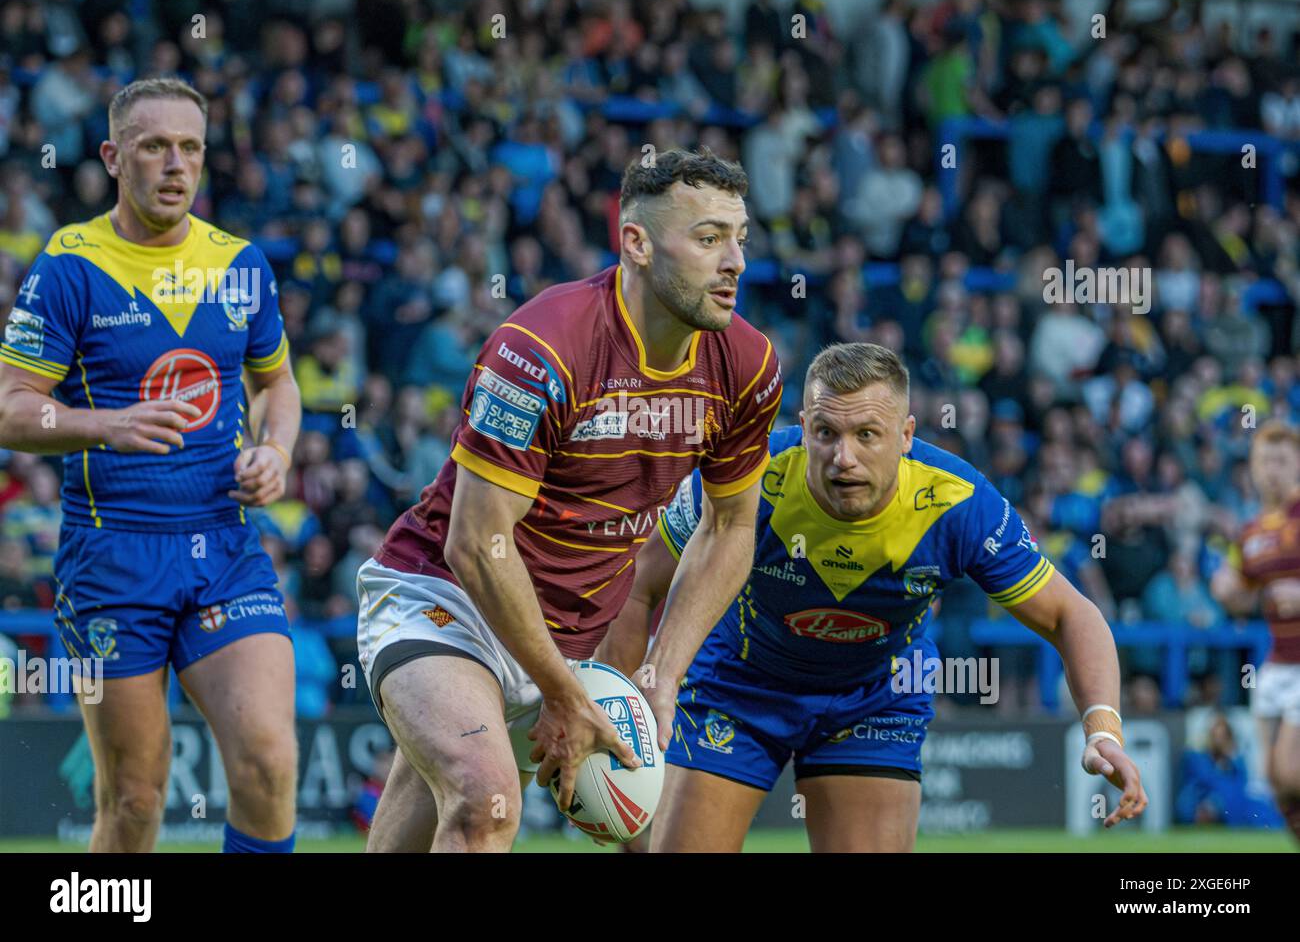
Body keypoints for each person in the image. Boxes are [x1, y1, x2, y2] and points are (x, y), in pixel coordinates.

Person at [357, 148, 784, 852]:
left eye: (740, 237)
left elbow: (732, 524)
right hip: (446, 597)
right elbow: (476, 543)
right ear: (637, 243)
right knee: (487, 799)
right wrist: (563, 693)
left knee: (465, 815)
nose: (734, 259)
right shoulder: (540, 348)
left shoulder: (747, 363)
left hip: (571, 636)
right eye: (709, 238)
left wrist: (662, 671)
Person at [600, 342, 1147, 851]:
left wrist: (1103, 727)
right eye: (826, 434)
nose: (844, 458)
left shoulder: (958, 503)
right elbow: (637, 588)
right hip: (737, 685)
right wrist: (618, 723)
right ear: (803, 428)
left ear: (906, 435)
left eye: (867, 434)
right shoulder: (747, 475)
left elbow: (1071, 615)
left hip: (874, 697)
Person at [0, 77, 302, 853]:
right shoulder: (69, 264)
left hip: (225, 550)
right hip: (110, 559)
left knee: (269, 763)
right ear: (112, 156)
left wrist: (275, 449)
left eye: (191, 148)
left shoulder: (242, 265)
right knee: (135, 801)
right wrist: (103, 425)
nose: (176, 165)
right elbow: (11, 408)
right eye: (154, 146)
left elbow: (280, 384)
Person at [1211, 419, 1300, 843]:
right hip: (1277, 662)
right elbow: (1241, 591)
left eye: (1282, 460)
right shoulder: (1251, 531)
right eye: (1265, 460)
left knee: (1291, 769)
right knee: (1273, 780)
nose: (1272, 470)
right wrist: (1227, 589)